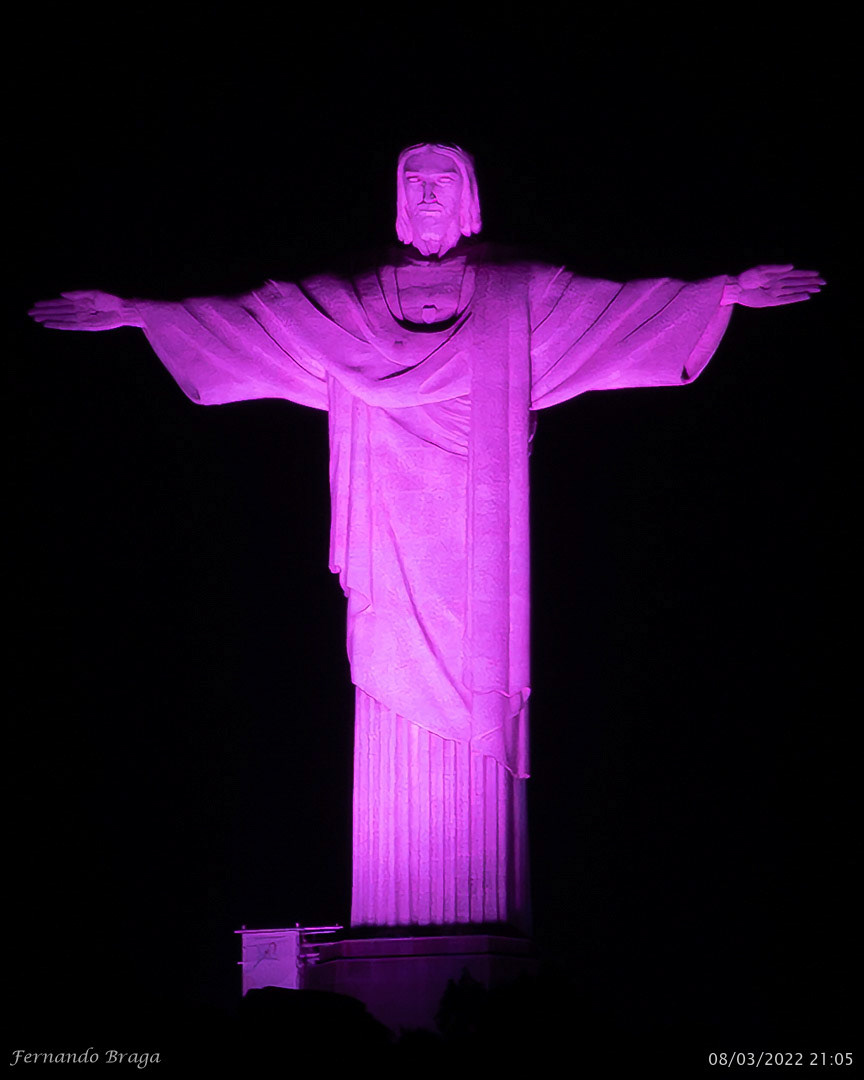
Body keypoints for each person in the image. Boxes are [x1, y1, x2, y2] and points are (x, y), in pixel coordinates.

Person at [29, 143, 823, 931]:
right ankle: (395, 933)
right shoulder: (349, 304)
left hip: (481, 549)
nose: (430, 192)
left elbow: (622, 312)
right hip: (388, 534)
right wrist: (140, 312)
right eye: (416, 180)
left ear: (471, 195)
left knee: (477, 711)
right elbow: (250, 321)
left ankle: (477, 934)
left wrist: (722, 293)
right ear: (398, 197)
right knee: (388, 688)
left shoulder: (518, 296)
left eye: (445, 180)